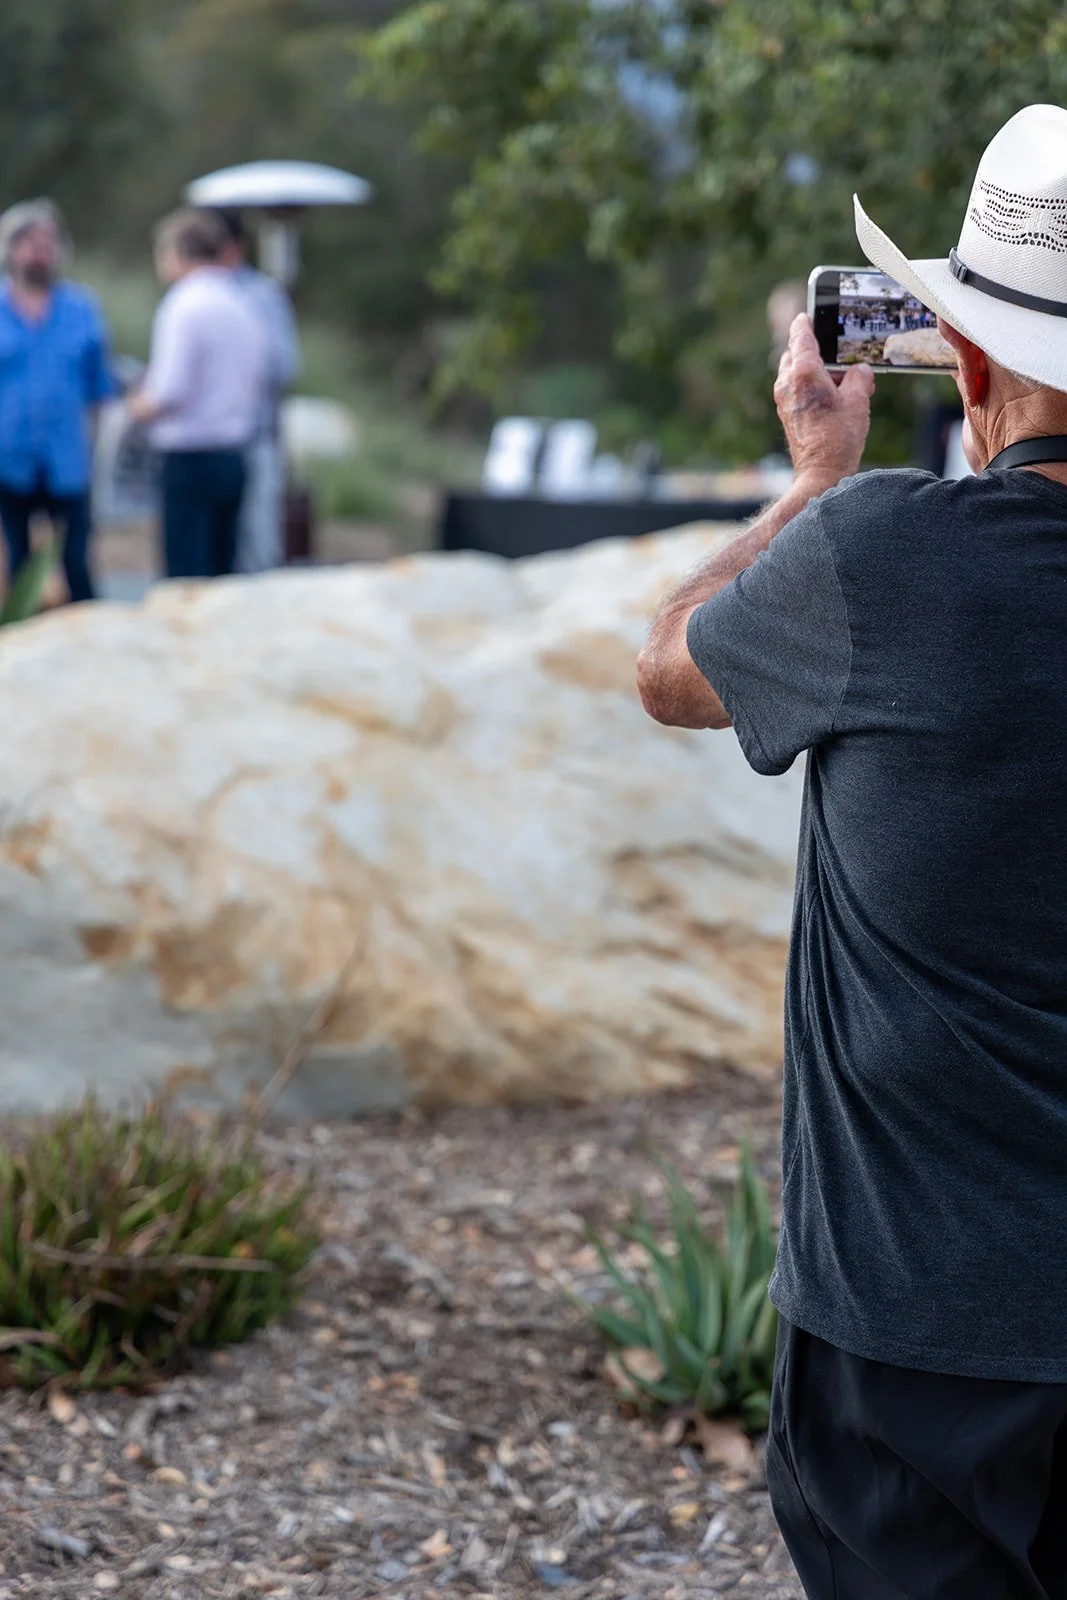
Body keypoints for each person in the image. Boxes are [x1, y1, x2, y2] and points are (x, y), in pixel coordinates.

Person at [637, 102, 1067, 1599]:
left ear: (965, 359)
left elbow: (666, 667)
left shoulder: (874, 555)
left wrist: (816, 480)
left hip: (906, 1340)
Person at [129, 209, 266, 580]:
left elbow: (171, 389)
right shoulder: (245, 302)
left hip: (190, 458)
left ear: (179, 252)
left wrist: (139, 405)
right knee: (223, 568)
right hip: (234, 454)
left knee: (187, 573)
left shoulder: (184, 303)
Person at [0, 199, 115, 602]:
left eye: (48, 242)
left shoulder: (81, 309)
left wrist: (96, 449)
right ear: (12, 249)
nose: (40, 251)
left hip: (66, 457)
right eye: (31, 242)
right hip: (9, 456)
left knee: (77, 563)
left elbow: (99, 389)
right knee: (16, 565)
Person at [216, 210, 300, 572]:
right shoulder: (190, 295)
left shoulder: (262, 295)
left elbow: (285, 366)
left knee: (257, 546)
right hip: (204, 446)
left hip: (254, 438)